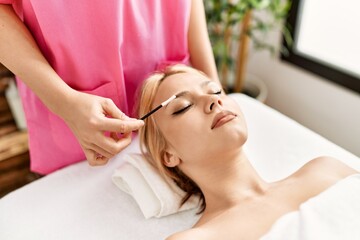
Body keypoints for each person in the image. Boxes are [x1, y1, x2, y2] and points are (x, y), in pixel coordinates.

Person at [137, 64, 358, 240]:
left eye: (215, 90)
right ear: (168, 155)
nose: (214, 100)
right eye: (184, 106)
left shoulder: (326, 170)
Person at [0, 0, 219, 174]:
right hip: (75, 104)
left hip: (169, 59)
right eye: (182, 107)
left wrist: (212, 83)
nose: (215, 103)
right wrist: (64, 102)